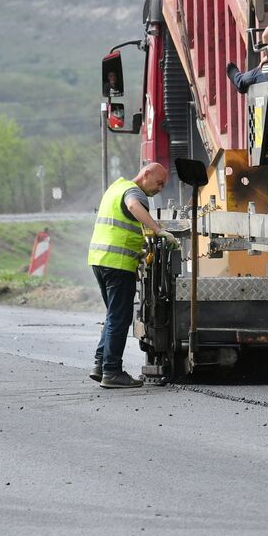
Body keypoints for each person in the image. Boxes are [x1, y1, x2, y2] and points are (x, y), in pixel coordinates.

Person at [86, 162, 179, 389]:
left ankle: (100, 365)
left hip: (100, 260)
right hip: (117, 265)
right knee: (120, 318)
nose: (159, 188)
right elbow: (133, 206)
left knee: (112, 316)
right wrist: (159, 230)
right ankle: (112, 372)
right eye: (158, 183)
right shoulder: (133, 192)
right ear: (146, 174)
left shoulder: (115, 187)